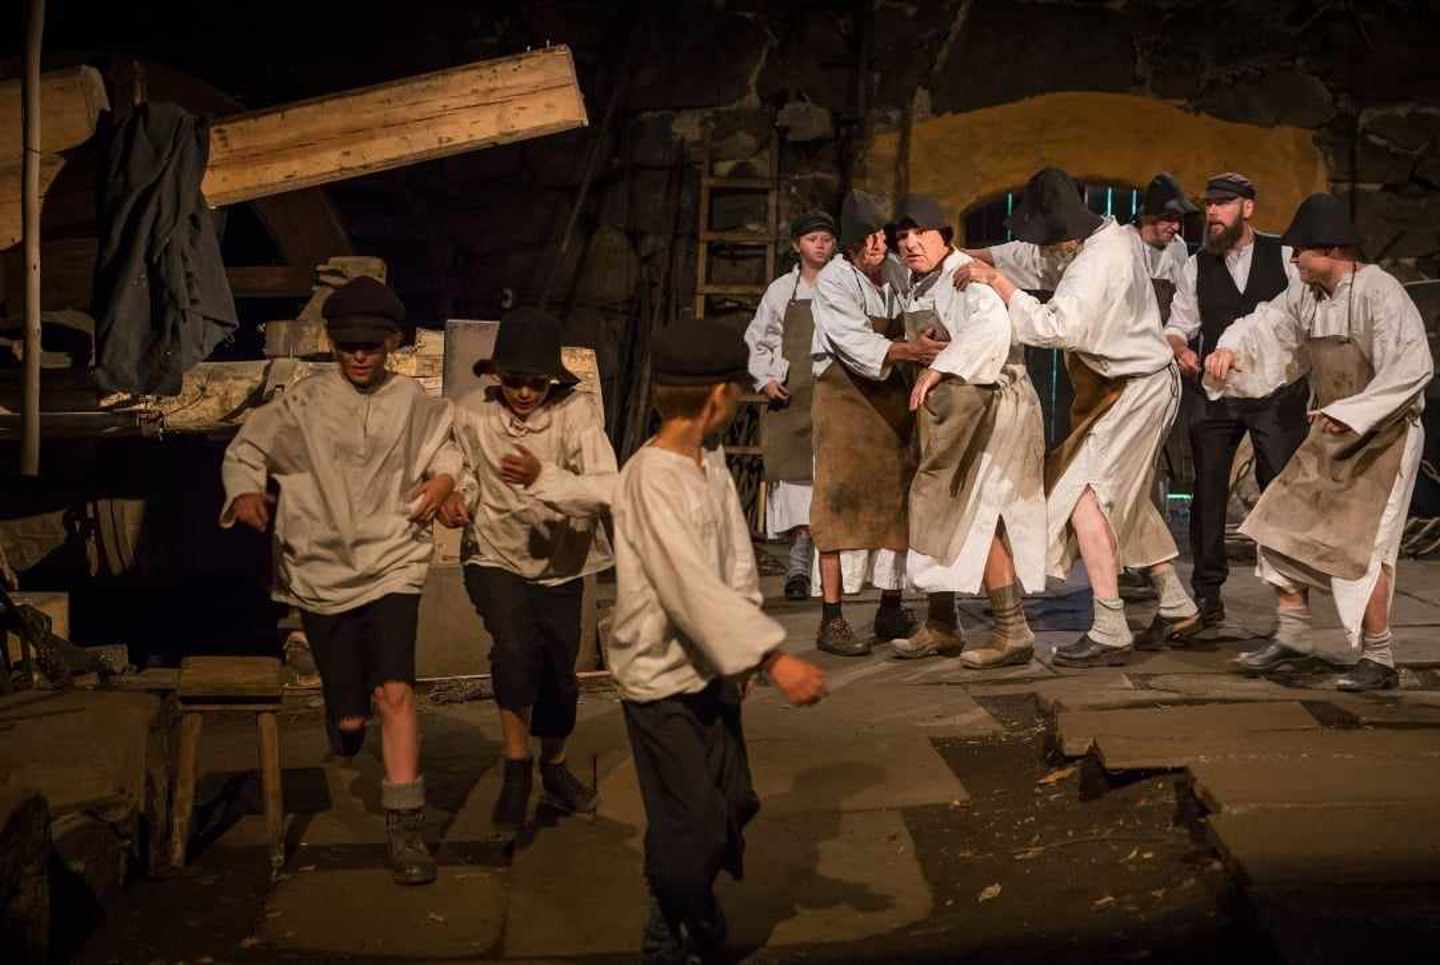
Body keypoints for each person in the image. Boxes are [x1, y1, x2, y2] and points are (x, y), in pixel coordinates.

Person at [220, 276, 459, 885]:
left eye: (371, 346)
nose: (359, 357)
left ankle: (405, 826)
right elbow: (246, 449)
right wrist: (246, 490)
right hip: (321, 566)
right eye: (349, 345)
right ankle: (343, 715)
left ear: (391, 344)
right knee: (352, 720)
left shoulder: (409, 399)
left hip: (393, 556)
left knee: (395, 693)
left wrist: (443, 480)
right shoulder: (303, 402)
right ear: (332, 343)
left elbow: (443, 446)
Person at [608, 320, 828, 964]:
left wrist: (742, 652)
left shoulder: (709, 462)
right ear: (716, 398)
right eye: (735, 390)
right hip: (659, 680)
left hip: (712, 669)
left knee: (732, 801)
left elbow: (733, 561)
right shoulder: (651, 478)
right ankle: (679, 921)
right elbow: (689, 587)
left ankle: (680, 894)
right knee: (693, 821)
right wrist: (771, 656)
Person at [955, 168, 1201, 667]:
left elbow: (1055, 327)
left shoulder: (1099, 261)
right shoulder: (1100, 237)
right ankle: (1175, 603)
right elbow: (1030, 260)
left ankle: (1110, 626)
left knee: (1084, 497)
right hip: (1126, 387)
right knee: (1124, 498)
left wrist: (1000, 285)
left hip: (1137, 389)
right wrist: (961, 257)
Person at [1205, 193, 1433, 692]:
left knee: (1365, 545)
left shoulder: (1379, 292)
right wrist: (1230, 350)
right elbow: (1265, 326)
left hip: (1384, 433)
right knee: (1277, 520)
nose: (1293, 261)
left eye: (1301, 252)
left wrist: (1354, 413)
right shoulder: (1304, 295)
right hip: (1328, 426)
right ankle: (1294, 636)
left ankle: (1379, 658)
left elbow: (1411, 368)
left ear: (1331, 250)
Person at [439, 307, 617, 831]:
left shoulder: (575, 414)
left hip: (561, 560)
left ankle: (553, 766)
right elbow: (462, 467)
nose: (523, 393)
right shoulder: (472, 413)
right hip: (493, 552)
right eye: (514, 380)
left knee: (558, 671)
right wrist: (457, 496)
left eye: (535, 383)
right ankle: (517, 763)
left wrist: (545, 477)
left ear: (551, 381)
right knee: (515, 647)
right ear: (497, 375)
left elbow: (605, 488)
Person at [890, 194, 1045, 667]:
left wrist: (938, 369)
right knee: (943, 506)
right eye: (903, 237)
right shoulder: (921, 281)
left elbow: (991, 330)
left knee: (981, 512)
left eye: (921, 234)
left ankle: (1013, 630)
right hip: (954, 411)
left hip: (991, 408)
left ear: (945, 237)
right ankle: (942, 625)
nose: (910, 244)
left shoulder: (964, 276)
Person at [1164, 173, 1309, 629]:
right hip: (1217, 391)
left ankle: (1292, 602)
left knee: (1280, 491)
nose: (1212, 212)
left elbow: (1300, 318)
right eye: (1209, 204)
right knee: (1207, 493)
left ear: (1247, 208)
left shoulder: (1283, 256)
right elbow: (1178, 325)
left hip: (1275, 392)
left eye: (1223, 203)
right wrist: (1180, 349)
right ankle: (1208, 596)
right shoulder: (1197, 265)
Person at [809, 189, 946, 655]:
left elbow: (915, 313)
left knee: (896, 504)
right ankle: (832, 618)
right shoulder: (834, 281)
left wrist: (925, 336)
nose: (878, 246)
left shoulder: (894, 272)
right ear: (849, 244)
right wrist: (911, 349)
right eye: (867, 239)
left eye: (880, 238)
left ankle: (890, 608)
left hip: (891, 401)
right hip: (844, 401)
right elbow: (853, 342)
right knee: (836, 503)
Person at [743, 211, 835, 601]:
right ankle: (799, 564)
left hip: (833, 394)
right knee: (797, 481)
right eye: (812, 239)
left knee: (831, 477)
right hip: (793, 394)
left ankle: (830, 572)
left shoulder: (843, 284)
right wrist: (765, 378)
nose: (820, 245)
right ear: (797, 245)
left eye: (826, 239)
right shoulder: (782, 290)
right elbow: (759, 338)